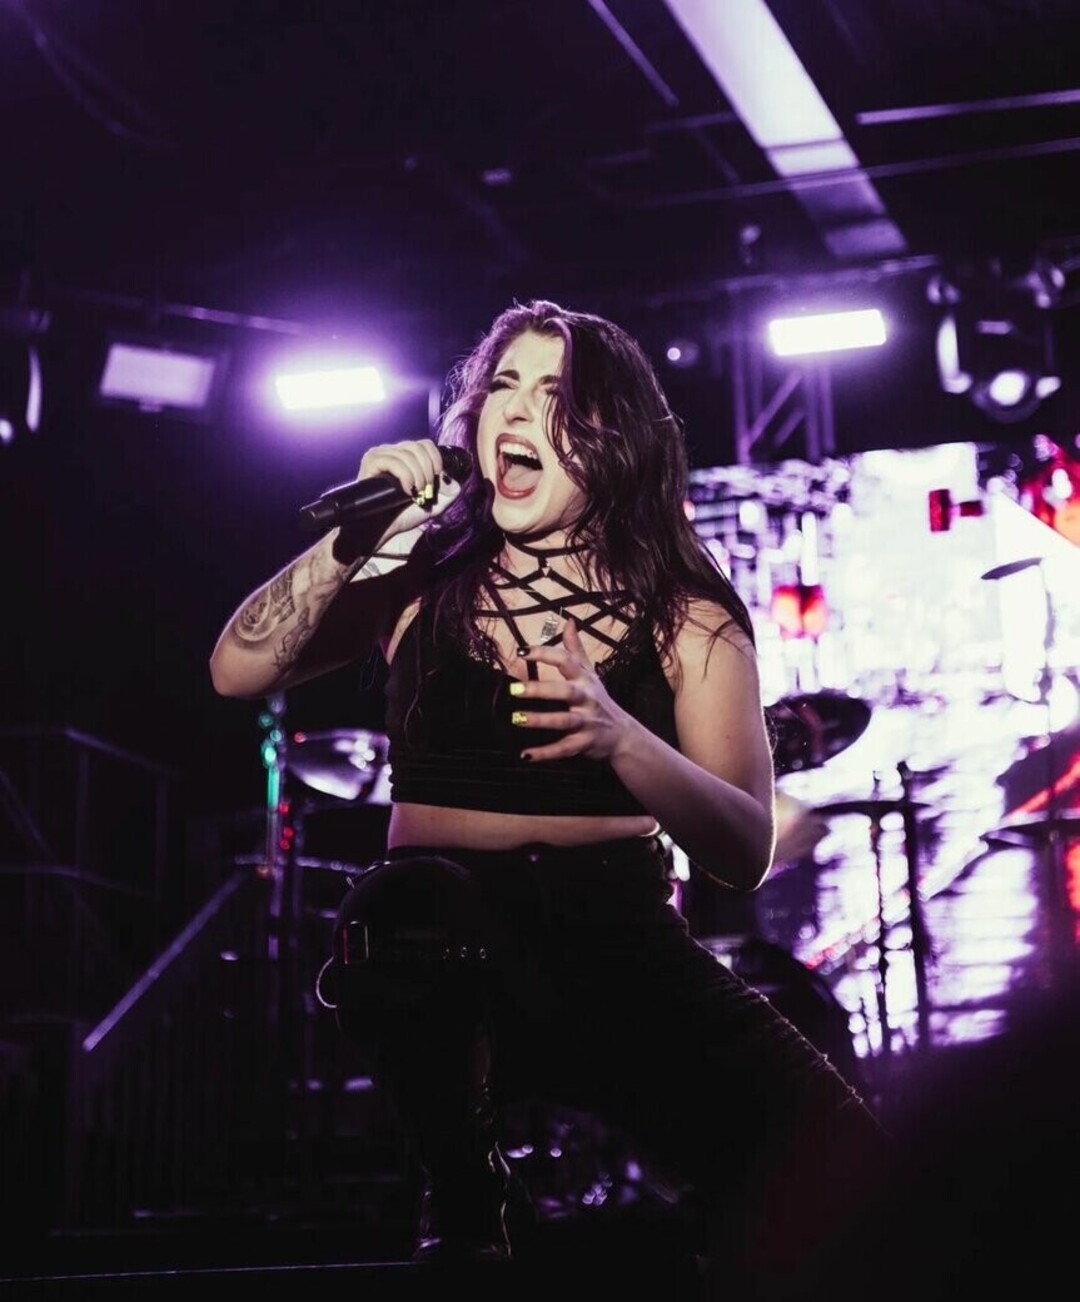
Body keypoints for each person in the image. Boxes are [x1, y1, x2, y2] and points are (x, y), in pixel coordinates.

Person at [209, 299, 891, 1295]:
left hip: (617, 942)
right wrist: (355, 537)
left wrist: (623, 739)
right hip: (446, 945)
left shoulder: (686, 609)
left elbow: (744, 847)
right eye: (504, 386)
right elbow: (235, 669)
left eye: (555, 394)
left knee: (858, 1175)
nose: (518, 410)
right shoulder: (422, 571)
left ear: (612, 438)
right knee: (404, 905)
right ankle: (466, 1187)